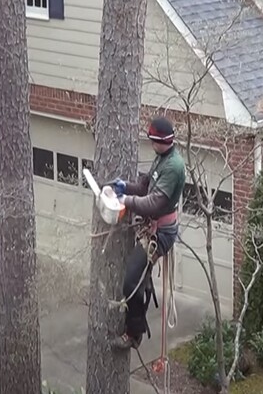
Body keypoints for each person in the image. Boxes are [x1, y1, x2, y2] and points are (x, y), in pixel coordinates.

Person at [111, 115, 186, 350]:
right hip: (152, 227)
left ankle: (134, 334)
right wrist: (126, 186)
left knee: (131, 282)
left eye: (153, 141)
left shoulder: (173, 166)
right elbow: (145, 188)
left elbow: (153, 203)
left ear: (162, 141)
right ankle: (136, 316)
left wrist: (126, 200)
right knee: (136, 278)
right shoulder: (161, 158)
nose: (151, 145)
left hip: (160, 233)